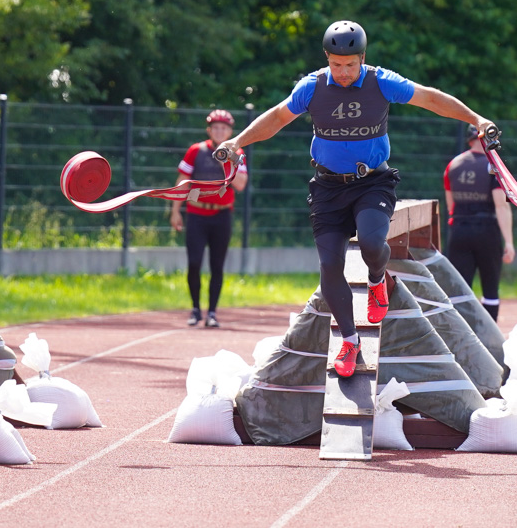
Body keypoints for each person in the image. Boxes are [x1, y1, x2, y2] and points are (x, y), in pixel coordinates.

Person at [216, 20, 498, 377]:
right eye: (336, 65)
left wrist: (475, 118)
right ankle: (350, 342)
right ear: (327, 59)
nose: (344, 72)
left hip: (372, 183)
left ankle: (379, 280)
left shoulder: (382, 82)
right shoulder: (313, 87)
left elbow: (430, 98)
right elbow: (276, 118)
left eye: (350, 65)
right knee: (330, 266)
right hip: (328, 188)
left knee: (370, 243)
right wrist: (236, 142)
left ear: (362, 58)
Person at [170, 109, 248, 327]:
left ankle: (212, 312)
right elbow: (183, 181)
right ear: (209, 130)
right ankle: (195, 309)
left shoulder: (238, 153)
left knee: (217, 265)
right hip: (196, 213)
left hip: (222, 216)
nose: (219, 131)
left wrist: (228, 158)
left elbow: (241, 184)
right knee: (194, 263)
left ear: (230, 131)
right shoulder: (196, 151)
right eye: (215, 127)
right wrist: (175, 211)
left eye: (224, 128)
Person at [443, 124, 515, 321]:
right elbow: (501, 206)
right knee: (490, 289)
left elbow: (451, 206)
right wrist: (508, 241)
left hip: (459, 230)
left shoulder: (453, 165)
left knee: (459, 290)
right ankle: (488, 336)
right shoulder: (493, 166)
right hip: (486, 231)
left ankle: (460, 337)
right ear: (490, 140)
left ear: (469, 139)